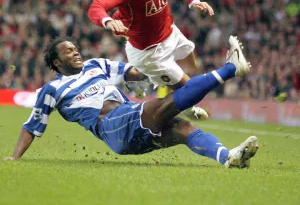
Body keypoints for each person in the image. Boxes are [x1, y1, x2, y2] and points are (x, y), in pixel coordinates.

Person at [3, 35, 258, 169]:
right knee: (164, 106)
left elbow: (136, 73)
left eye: (75, 48)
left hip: (128, 127)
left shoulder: (96, 65)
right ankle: (230, 69)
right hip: (111, 126)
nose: (76, 52)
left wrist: (153, 60)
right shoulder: (52, 90)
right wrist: (15, 158)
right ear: (58, 63)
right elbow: (31, 126)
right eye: (69, 51)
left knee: (183, 128)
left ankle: (228, 157)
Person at [88, 0, 214, 118]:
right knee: (188, 88)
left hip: (169, 32)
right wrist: (107, 21)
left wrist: (194, 1)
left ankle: (139, 79)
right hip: (148, 51)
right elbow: (96, 6)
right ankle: (185, 107)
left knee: (191, 62)